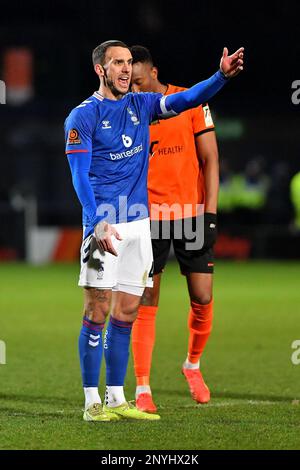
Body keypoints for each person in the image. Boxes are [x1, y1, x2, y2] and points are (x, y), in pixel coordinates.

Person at [64, 39, 244, 422]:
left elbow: (186, 100)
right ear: (100, 69)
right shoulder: (81, 117)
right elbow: (80, 177)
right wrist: (96, 221)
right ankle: (91, 401)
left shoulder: (140, 105)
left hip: (140, 225)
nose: (126, 69)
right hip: (104, 224)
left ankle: (117, 399)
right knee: (97, 311)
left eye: (129, 62)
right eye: (117, 63)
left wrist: (220, 77)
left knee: (127, 312)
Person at [130, 45, 219, 412]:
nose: (133, 89)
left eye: (137, 81)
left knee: (201, 296)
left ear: (153, 73)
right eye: (127, 83)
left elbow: (210, 159)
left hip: (191, 215)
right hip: (147, 216)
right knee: (146, 299)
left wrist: (210, 214)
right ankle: (142, 387)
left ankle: (192, 365)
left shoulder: (188, 102)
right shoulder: (129, 111)